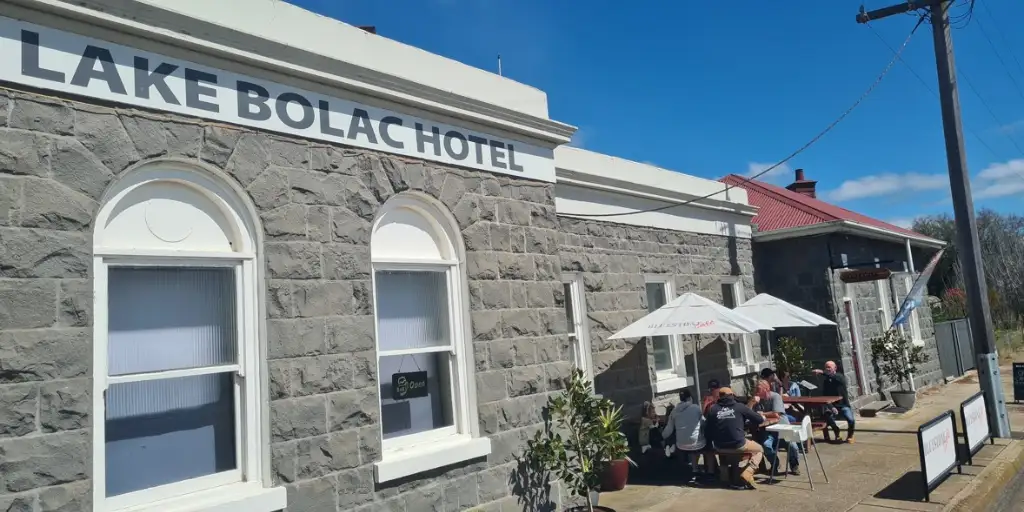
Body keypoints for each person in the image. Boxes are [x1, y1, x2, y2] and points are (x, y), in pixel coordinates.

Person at [704, 387, 765, 489]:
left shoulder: (713, 409)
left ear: (720, 397)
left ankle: (725, 478)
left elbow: (707, 430)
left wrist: (709, 445)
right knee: (759, 449)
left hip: (719, 446)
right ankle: (748, 472)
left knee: (726, 451)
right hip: (738, 445)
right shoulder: (739, 407)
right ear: (732, 395)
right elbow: (758, 420)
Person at [662, 388, 716, 480]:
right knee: (708, 448)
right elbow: (703, 423)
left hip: (681, 444)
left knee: (694, 445)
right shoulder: (695, 408)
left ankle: (695, 470)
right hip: (695, 443)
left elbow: (669, 429)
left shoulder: (674, 411)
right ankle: (711, 472)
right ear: (690, 398)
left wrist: (662, 437)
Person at [750, 381, 801, 476]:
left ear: (766, 389)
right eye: (755, 390)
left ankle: (794, 465)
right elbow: (749, 413)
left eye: (758, 390)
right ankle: (775, 464)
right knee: (766, 445)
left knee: (792, 445)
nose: (756, 392)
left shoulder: (775, 396)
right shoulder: (756, 400)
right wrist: (752, 403)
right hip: (767, 428)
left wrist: (762, 413)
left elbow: (776, 413)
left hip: (782, 427)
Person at [813, 360, 856, 443]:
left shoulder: (840, 377)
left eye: (829, 367)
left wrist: (822, 372)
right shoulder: (826, 381)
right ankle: (837, 432)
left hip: (843, 405)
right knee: (826, 416)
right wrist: (831, 407)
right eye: (826, 367)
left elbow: (834, 377)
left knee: (851, 420)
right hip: (833, 405)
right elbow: (825, 396)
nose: (827, 369)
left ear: (835, 368)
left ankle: (850, 436)